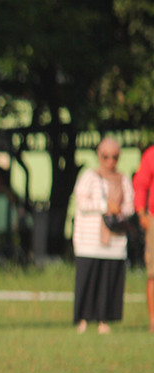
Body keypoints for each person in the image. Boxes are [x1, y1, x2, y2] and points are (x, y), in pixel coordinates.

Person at [72, 137, 134, 334]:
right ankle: (82, 319)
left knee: (108, 281)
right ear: (100, 156)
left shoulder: (123, 179)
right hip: (89, 240)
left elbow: (130, 206)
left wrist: (119, 210)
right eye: (106, 156)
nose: (110, 161)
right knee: (88, 280)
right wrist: (104, 207)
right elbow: (81, 203)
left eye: (114, 157)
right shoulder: (89, 176)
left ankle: (104, 320)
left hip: (114, 242)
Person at [132, 145, 154, 332]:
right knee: (153, 273)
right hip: (153, 217)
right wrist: (141, 213)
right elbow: (141, 184)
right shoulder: (151, 155)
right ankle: (153, 322)